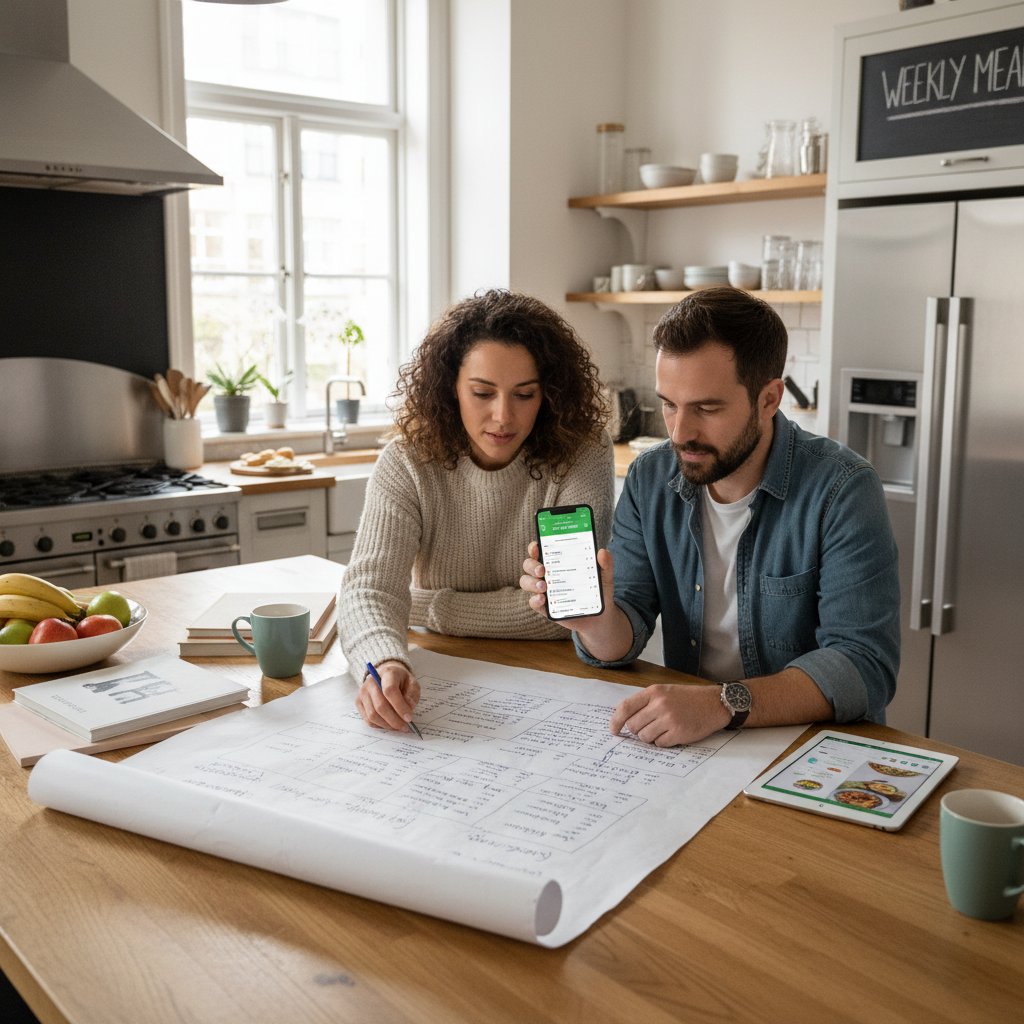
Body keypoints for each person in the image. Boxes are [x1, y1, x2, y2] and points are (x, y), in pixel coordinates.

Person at [520, 286, 900, 747]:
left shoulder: (842, 489)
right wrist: (595, 621)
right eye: (669, 404)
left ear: (769, 399)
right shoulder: (650, 476)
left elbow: (863, 665)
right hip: (697, 741)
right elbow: (627, 628)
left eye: (707, 408)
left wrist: (723, 703)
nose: (680, 432)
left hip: (807, 747)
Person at [341, 288, 614, 732]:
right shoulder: (406, 462)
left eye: (524, 395)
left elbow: (570, 611)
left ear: (549, 394)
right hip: (443, 676)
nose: (503, 416)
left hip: (559, 686)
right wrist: (387, 662)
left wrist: (428, 607)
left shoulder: (582, 453)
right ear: (450, 389)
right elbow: (368, 591)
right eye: (482, 393)